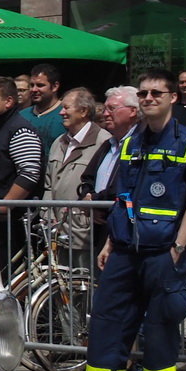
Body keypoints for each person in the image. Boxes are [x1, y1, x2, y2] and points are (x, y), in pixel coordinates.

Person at [65, 70, 186, 371]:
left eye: (156, 92)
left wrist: (178, 246)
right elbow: (123, 199)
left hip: (163, 253)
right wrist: (112, 242)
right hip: (125, 250)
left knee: (160, 330)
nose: (148, 98)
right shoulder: (130, 144)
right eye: (143, 93)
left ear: (173, 97)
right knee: (107, 325)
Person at [0, 77, 45, 272]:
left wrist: (4, 208)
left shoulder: (20, 130)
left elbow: (29, 173)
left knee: (8, 274)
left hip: (9, 224)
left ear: (9, 102)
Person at [45, 88, 107, 253]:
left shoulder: (104, 142)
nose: (61, 113)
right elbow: (49, 184)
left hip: (84, 235)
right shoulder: (59, 142)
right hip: (55, 232)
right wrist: (47, 215)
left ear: (83, 111)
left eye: (66, 108)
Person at [80, 86, 140, 255]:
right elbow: (87, 178)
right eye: (105, 109)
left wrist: (96, 201)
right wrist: (87, 200)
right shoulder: (108, 144)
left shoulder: (141, 145)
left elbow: (128, 183)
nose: (105, 114)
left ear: (133, 111)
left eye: (112, 109)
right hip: (100, 225)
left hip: (124, 228)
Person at [18, 64, 68, 150]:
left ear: (55, 86)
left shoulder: (66, 114)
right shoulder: (21, 116)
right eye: (32, 85)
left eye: (40, 85)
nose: (34, 89)